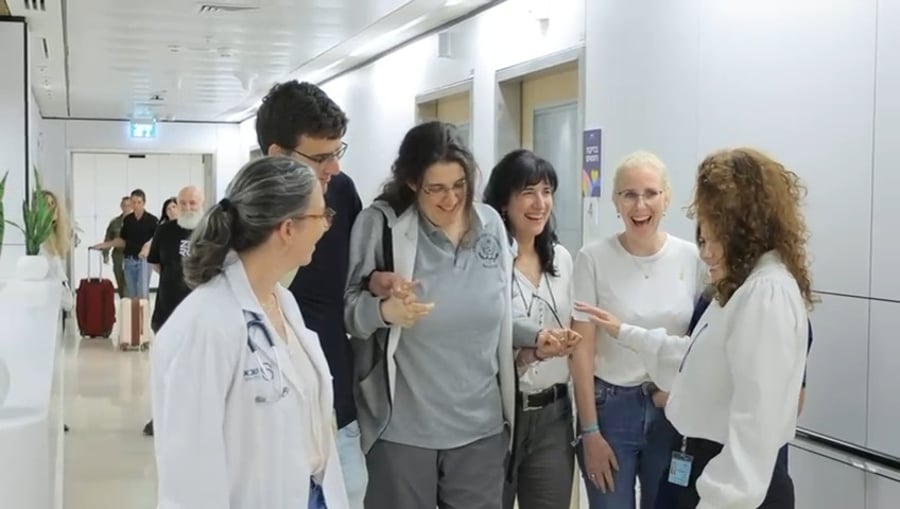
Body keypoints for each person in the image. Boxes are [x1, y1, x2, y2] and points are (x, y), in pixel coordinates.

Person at [576, 147, 813, 508]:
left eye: (713, 232)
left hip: (731, 486)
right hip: (700, 460)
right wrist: (626, 333)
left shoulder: (766, 293)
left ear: (742, 223)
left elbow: (754, 429)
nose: (705, 251)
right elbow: (696, 357)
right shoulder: (743, 286)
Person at [344, 121, 565, 509]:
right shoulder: (381, 225)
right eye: (436, 188)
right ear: (412, 182)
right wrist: (384, 311)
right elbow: (350, 315)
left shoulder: (490, 224)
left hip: (481, 431)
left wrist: (535, 336)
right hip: (403, 434)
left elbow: (494, 315)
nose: (450, 199)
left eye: (459, 185)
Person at [151, 156, 347, 509]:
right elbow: (190, 479)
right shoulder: (205, 325)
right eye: (322, 216)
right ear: (288, 229)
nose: (325, 227)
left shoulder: (282, 302)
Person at [568, 151, 707, 509]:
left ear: (667, 198)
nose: (640, 205)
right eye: (629, 194)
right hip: (611, 411)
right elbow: (582, 350)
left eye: (650, 193)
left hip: (671, 409)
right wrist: (590, 431)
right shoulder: (593, 258)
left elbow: (702, 341)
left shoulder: (692, 258)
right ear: (615, 201)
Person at [255, 80, 369, 508]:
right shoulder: (244, 221)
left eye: (338, 152)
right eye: (320, 157)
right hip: (269, 419)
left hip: (335, 406)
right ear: (277, 155)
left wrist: (376, 284)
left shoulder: (341, 190)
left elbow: (354, 281)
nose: (333, 168)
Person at [483, 149, 578, 509]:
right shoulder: (485, 263)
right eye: (528, 192)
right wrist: (530, 350)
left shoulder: (561, 259)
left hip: (553, 415)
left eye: (547, 191)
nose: (540, 203)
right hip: (498, 415)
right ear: (503, 202)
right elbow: (484, 331)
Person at [141, 186, 205, 437]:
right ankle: (163, 417)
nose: (188, 207)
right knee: (167, 368)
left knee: (198, 369)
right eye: (183, 203)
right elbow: (156, 263)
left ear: (202, 203)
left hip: (201, 313)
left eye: (193, 203)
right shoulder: (165, 231)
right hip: (168, 310)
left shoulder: (211, 231)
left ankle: (195, 418)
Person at [92, 189, 159, 299]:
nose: (136, 205)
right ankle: (132, 311)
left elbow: (157, 241)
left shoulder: (152, 220)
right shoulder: (128, 220)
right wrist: (105, 245)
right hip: (129, 260)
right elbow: (123, 240)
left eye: (139, 202)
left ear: (144, 203)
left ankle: (143, 310)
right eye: (133, 202)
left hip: (144, 261)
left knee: (142, 293)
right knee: (130, 294)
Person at [102, 196, 132, 297]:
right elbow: (108, 239)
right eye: (124, 205)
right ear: (121, 206)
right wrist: (105, 254)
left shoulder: (137, 222)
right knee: (119, 279)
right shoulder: (115, 223)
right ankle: (123, 299)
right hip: (118, 255)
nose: (126, 208)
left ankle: (128, 301)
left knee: (128, 281)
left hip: (131, 255)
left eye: (129, 205)